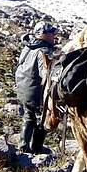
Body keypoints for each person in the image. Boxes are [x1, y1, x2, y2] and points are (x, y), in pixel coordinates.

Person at [14, 20, 59, 154]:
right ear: (43, 35)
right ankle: (36, 148)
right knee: (41, 119)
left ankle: (23, 145)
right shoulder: (43, 51)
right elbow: (45, 73)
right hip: (34, 90)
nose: (54, 36)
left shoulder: (29, 46)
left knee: (28, 116)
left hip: (22, 86)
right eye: (51, 34)